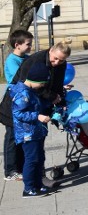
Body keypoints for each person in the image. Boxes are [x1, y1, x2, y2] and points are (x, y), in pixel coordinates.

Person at [10, 58, 56, 198]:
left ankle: (38, 184)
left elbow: (37, 104)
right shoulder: (22, 94)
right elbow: (18, 113)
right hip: (27, 133)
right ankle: (28, 188)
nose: (42, 86)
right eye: (41, 83)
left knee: (39, 158)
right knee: (31, 160)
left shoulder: (31, 91)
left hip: (36, 131)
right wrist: (38, 116)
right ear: (34, 80)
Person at [3, 30, 31, 182]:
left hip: (24, 102)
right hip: (12, 103)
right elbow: (21, 79)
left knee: (22, 136)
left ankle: (20, 167)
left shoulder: (27, 58)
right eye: (28, 44)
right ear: (17, 45)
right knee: (12, 137)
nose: (30, 47)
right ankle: (10, 170)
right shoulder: (12, 61)